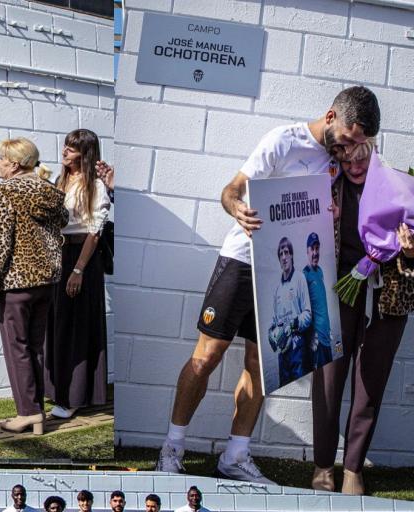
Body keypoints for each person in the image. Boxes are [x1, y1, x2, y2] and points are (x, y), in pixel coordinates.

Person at [157, 86, 380, 484]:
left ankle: (235, 456)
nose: (349, 151)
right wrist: (237, 208)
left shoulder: (338, 163)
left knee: (261, 366)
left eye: (358, 144)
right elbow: (231, 189)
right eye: (347, 140)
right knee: (207, 356)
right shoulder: (283, 141)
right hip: (243, 260)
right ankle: (172, 448)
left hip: (283, 275)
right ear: (331, 117)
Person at [311, 138, 414, 493]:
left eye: (360, 157)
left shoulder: (397, 187)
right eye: (345, 157)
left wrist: (411, 250)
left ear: (372, 147)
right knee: (327, 382)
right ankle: (323, 465)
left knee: (370, 384)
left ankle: (353, 468)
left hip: (385, 300)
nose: (354, 165)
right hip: (337, 294)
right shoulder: (324, 186)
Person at [0, 137, 67, 435]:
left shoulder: (4, 193)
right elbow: (62, 223)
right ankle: (35, 412)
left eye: (0, 159)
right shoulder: (49, 191)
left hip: (15, 284)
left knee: (17, 349)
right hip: (46, 282)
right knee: (36, 347)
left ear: (14, 164)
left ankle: (28, 413)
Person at [46, 128, 110, 422]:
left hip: (81, 256)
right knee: (58, 324)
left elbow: (95, 232)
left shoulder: (94, 184)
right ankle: (59, 390)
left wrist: (78, 270)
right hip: (59, 254)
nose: (65, 152)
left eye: (72, 149)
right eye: (65, 146)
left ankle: (74, 397)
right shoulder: (60, 180)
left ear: (85, 154)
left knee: (77, 327)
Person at [267, 236, 313, 386]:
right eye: (281, 254)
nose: (284, 257)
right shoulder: (277, 290)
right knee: (284, 390)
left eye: (286, 252)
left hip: (297, 348)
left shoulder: (300, 278)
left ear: (292, 255)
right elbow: (275, 321)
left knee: (299, 388)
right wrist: (271, 332)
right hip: (283, 354)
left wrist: (293, 324)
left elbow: (307, 314)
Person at [301, 232, 333, 372]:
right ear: (307, 251)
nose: (315, 253)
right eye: (312, 249)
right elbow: (303, 309)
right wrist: (310, 336)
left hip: (327, 337)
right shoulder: (304, 275)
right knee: (321, 379)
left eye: (317, 248)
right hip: (317, 341)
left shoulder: (319, 271)